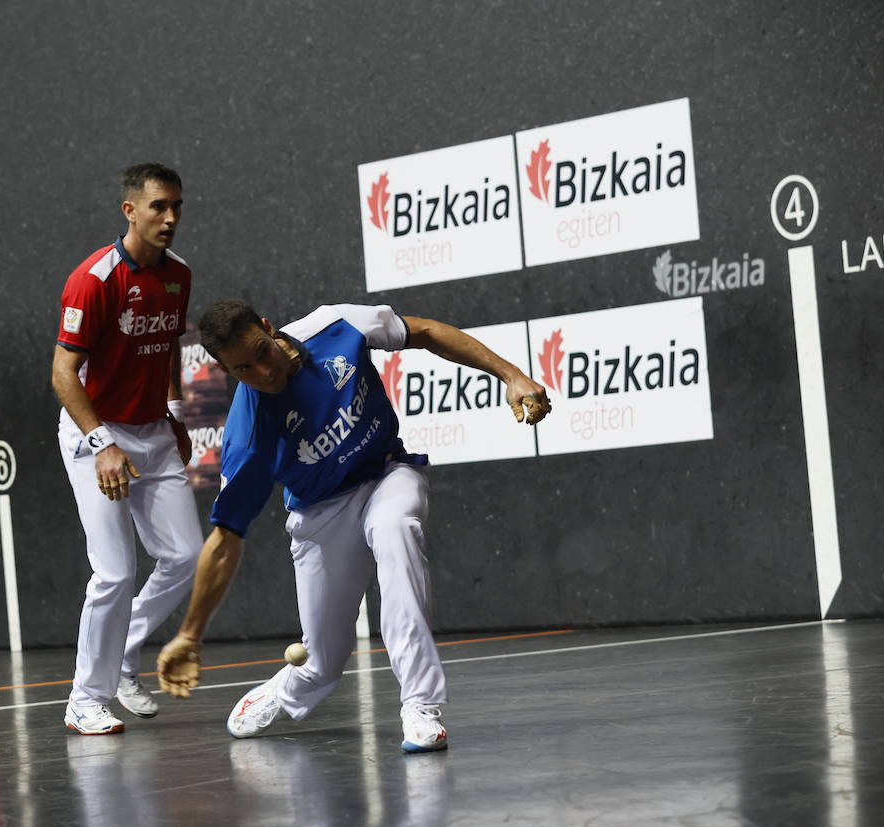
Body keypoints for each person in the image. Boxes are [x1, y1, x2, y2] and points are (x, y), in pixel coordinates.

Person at [156, 299, 551, 752]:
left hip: (386, 474)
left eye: (262, 352)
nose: (264, 373)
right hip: (319, 512)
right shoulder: (248, 436)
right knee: (321, 662)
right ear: (226, 371)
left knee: (394, 529)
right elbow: (225, 540)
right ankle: (286, 690)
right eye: (243, 369)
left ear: (269, 328)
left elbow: (424, 332)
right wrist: (189, 633)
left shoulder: (336, 327)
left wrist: (510, 374)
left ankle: (419, 704)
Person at [51, 163, 204, 735]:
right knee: (114, 572)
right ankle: (85, 699)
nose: (170, 217)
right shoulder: (93, 280)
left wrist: (175, 414)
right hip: (96, 433)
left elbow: (167, 348)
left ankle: (121, 655)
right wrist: (102, 444)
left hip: (154, 431)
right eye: (159, 206)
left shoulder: (179, 275)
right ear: (130, 210)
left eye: (178, 206)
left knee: (187, 555)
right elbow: (63, 374)